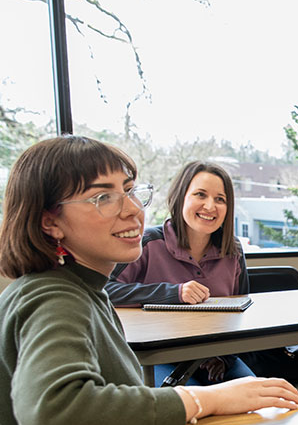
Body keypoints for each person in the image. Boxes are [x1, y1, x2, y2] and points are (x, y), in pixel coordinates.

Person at [0, 136, 298, 425]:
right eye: (103, 197)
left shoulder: (84, 290)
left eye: (130, 191)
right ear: (50, 222)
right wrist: (206, 400)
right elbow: (56, 417)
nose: (134, 209)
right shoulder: (54, 297)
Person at [106, 160, 254, 386]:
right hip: (158, 356)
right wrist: (172, 293)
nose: (210, 206)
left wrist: (225, 356)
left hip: (216, 356)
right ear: (181, 197)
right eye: (200, 195)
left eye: (220, 199)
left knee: (256, 396)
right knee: (190, 407)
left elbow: (240, 311)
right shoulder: (147, 243)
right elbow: (104, 291)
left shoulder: (233, 250)